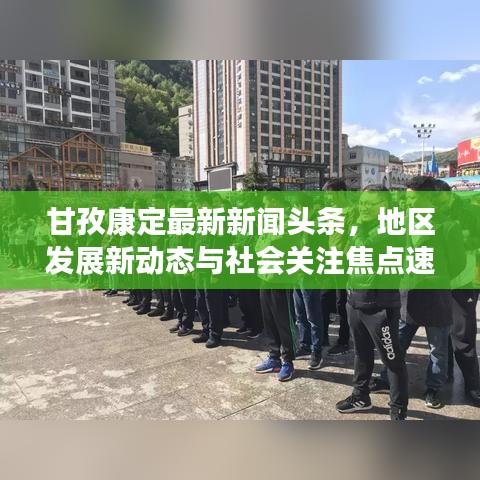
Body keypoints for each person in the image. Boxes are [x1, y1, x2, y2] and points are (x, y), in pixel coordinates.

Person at [371, 176, 467, 409]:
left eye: (412, 199)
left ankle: (433, 388)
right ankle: (386, 378)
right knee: (396, 343)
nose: (407, 202)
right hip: (407, 296)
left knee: (437, 349)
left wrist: (435, 276)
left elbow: (458, 264)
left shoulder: (447, 226)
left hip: (436, 298)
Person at [335, 185, 409, 420]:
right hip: (356, 300)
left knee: (392, 359)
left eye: (369, 204)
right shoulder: (364, 226)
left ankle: (398, 409)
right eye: (361, 203)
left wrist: (356, 228)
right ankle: (360, 396)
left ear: (385, 206)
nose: (363, 208)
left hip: (379, 307)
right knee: (361, 353)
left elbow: (362, 248)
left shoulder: (391, 227)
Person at [434, 179, 480, 406]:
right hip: (436, 282)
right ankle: (445, 375)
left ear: (450, 195)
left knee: (463, 334)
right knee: (441, 332)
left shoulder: (469, 213)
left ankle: (473, 385)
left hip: (463, 282)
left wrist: (464, 240)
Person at [254, 188, 297, 382]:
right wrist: (266, 242)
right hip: (265, 275)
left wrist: (267, 242)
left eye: (267, 202)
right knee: (269, 319)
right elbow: (258, 246)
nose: (265, 206)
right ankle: (274, 357)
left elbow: (275, 244)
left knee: (283, 321)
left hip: (281, 277)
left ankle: (288, 361)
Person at [322, 178, 357, 355]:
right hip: (331, 260)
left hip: (343, 261)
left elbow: (352, 238)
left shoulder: (352, 211)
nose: (328, 198)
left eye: (331, 195)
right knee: (327, 298)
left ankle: (344, 341)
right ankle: (323, 337)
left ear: (341, 192)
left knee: (343, 301)